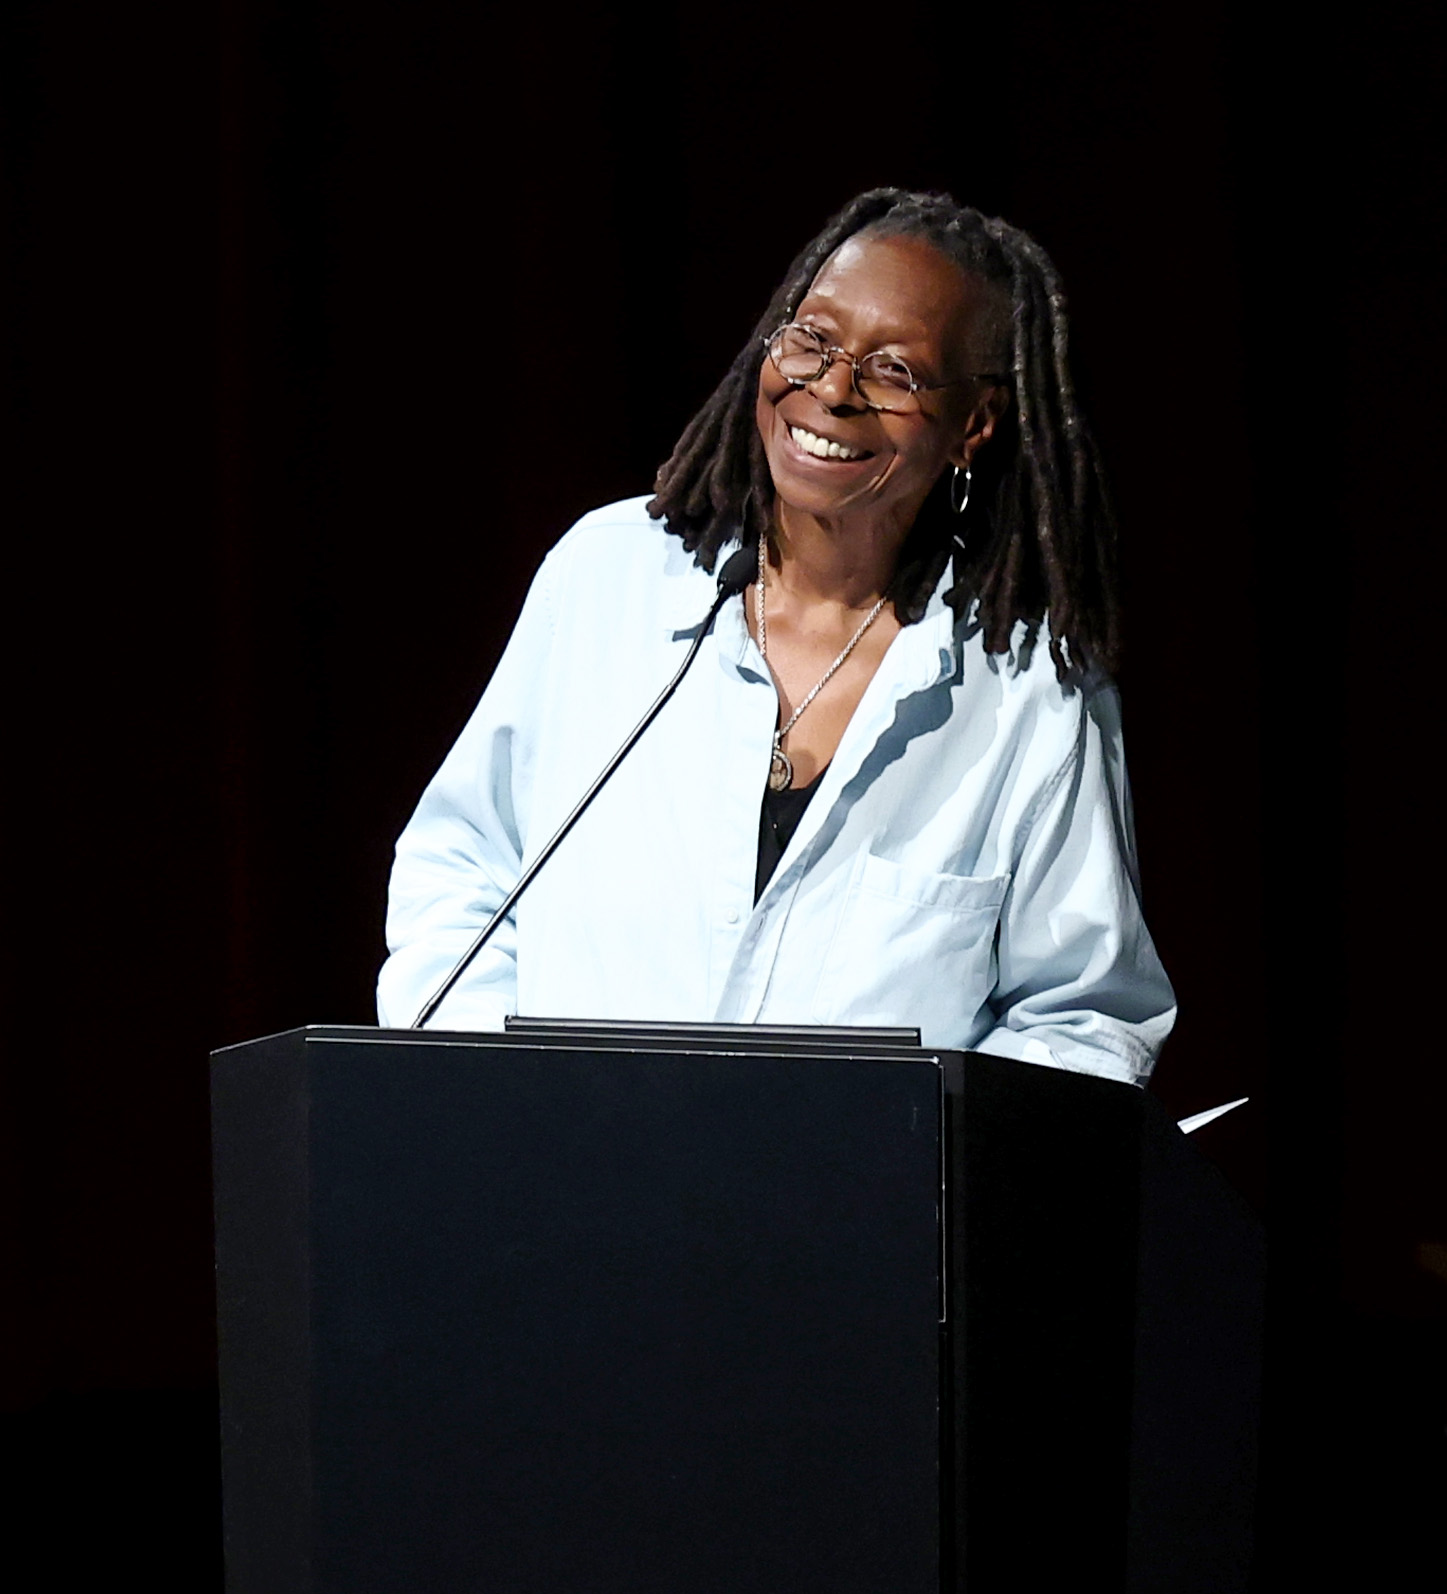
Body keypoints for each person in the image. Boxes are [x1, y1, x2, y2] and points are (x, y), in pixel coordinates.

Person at [377, 187, 1175, 1080]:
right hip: (559, 1157)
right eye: (812, 341)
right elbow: (462, 868)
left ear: (975, 424)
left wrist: (924, 1154)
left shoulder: (1033, 693)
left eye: (894, 371)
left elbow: (1079, 1019)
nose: (831, 390)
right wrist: (493, 1092)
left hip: (870, 1177)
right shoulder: (607, 579)